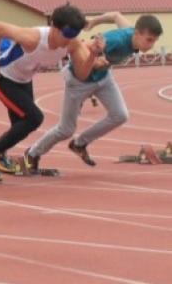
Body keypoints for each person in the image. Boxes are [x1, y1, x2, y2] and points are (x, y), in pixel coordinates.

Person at [25, 12, 162, 170]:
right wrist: (95, 61)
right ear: (137, 33)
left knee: (120, 115)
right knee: (66, 129)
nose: (151, 45)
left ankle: (79, 143)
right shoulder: (115, 40)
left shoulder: (131, 31)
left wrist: (94, 21)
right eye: (149, 40)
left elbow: (116, 15)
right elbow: (81, 47)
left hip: (103, 79)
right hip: (79, 81)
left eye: (154, 41)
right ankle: (33, 153)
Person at [0, 3, 99, 176]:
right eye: (67, 34)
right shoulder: (33, 38)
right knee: (34, 118)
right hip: (3, 78)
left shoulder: (73, 44)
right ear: (53, 26)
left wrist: (93, 55)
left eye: (75, 34)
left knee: (20, 127)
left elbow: (82, 74)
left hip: (25, 80)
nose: (69, 39)